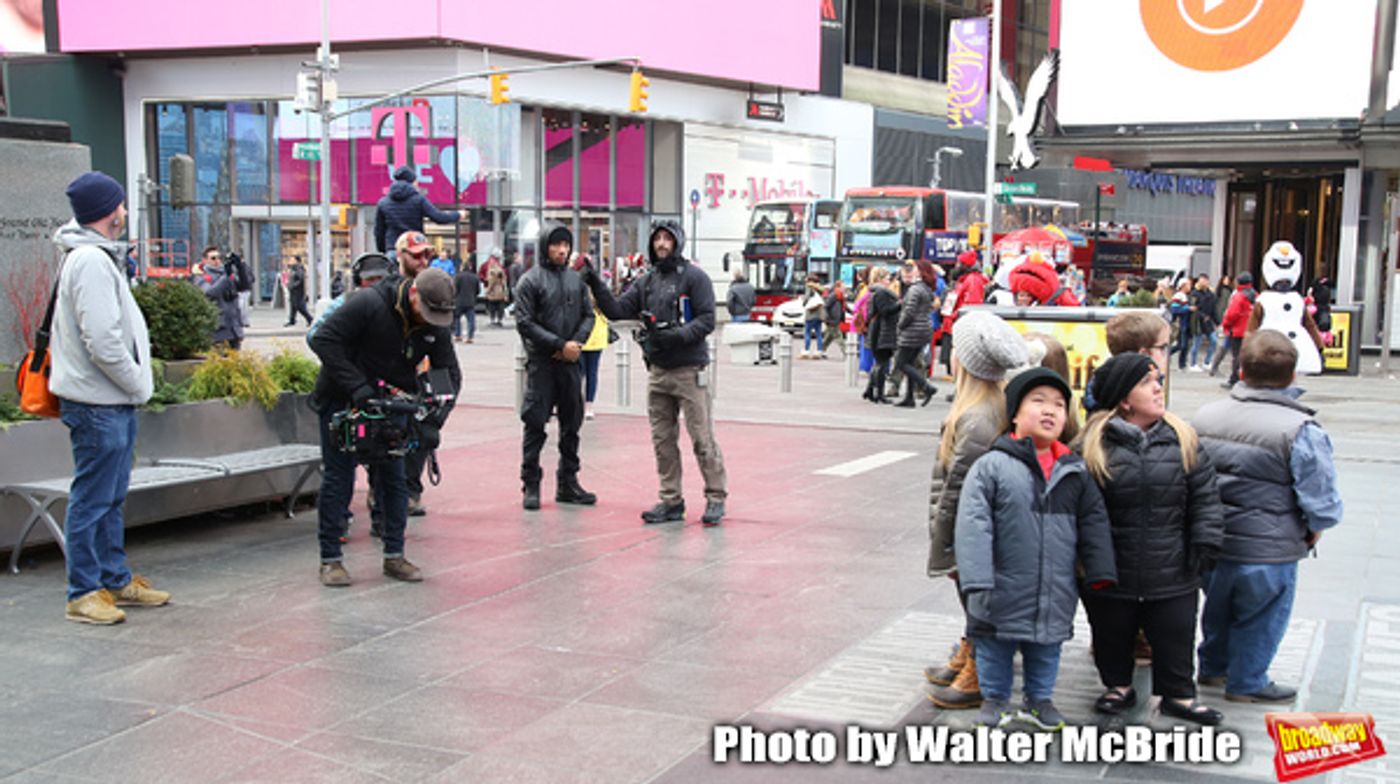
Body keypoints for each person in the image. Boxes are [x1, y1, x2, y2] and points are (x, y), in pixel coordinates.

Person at [955, 367, 1117, 730]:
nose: (1050, 410)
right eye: (1038, 401)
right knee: (994, 642)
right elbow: (973, 525)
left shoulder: (1074, 471)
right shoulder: (992, 466)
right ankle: (995, 698)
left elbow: (1093, 522)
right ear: (1014, 413)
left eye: (1059, 405)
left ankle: (1039, 699)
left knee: (1046, 644)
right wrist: (977, 578)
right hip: (1000, 583)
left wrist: (1100, 570)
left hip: (1055, 585)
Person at [1192, 330, 1343, 704]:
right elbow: (1319, 493)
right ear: (1293, 375)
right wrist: (1316, 527)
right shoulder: (1301, 429)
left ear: (1241, 370)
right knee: (1262, 615)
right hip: (1269, 547)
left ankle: (1212, 667)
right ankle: (1247, 680)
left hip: (1213, 540)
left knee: (1217, 607)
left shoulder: (1205, 416)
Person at [1077, 353, 1226, 725]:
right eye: (1147, 383)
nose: (1159, 388)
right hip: (1112, 567)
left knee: (1175, 630)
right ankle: (1117, 686)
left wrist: (1205, 542)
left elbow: (1205, 496)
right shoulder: (1092, 446)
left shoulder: (1183, 438)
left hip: (1173, 565)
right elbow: (1080, 510)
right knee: (1112, 630)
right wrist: (1087, 561)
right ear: (1124, 399)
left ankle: (1179, 695)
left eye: (1158, 379)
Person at [50, 171, 168, 624]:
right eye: (119, 203)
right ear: (109, 210)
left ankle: (113, 579)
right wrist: (137, 384)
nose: (124, 211)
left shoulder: (94, 257)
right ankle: (83, 591)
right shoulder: (90, 262)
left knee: (109, 498)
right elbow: (103, 342)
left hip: (107, 401)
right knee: (93, 499)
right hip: (99, 402)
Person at [308, 267, 461, 586]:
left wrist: (433, 420)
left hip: (392, 402)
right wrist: (356, 386)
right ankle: (330, 559)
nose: (429, 321)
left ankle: (395, 555)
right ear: (414, 293)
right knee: (339, 477)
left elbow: (448, 373)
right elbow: (323, 340)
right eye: (426, 312)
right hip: (344, 398)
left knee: (394, 479)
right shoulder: (369, 303)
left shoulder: (434, 325)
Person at [581, 219, 728, 526]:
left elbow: (706, 320)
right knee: (663, 440)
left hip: (690, 370)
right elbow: (618, 311)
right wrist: (595, 282)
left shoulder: (695, 278)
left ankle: (716, 497)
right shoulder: (646, 281)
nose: (661, 244)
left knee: (702, 438)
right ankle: (671, 499)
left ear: (677, 242)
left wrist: (677, 335)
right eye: (657, 238)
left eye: (667, 238)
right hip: (658, 371)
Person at [926, 312, 1030, 710]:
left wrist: (945, 545)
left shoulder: (978, 418)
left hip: (969, 534)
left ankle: (980, 673)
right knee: (976, 602)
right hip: (974, 532)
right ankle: (973, 651)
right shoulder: (985, 407)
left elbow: (958, 492)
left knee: (979, 602)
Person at [514, 224, 597, 511]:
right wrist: (559, 344)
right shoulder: (530, 281)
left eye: (566, 245)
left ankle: (568, 482)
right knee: (535, 423)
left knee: (572, 424)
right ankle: (531, 482)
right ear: (544, 246)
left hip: (570, 364)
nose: (562, 250)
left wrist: (575, 344)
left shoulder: (576, 280)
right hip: (542, 364)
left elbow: (589, 315)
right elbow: (525, 323)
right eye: (556, 245)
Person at [373, 166, 461, 253]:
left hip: (393, 248)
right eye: (416, 181)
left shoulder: (383, 203)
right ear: (412, 182)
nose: (417, 184)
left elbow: (379, 231)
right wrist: (458, 214)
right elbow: (439, 217)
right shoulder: (419, 200)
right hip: (415, 249)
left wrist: (383, 250)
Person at [893, 261, 938, 407]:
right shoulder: (927, 289)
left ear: (920, 271)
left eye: (916, 269)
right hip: (924, 329)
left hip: (912, 330)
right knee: (910, 362)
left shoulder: (915, 289)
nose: (913, 271)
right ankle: (909, 397)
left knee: (901, 363)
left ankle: (926, 386)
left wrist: (900, 325)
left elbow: (909, 311)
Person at [193, 246, 245, 351]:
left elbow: (244, 286)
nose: (217, 261)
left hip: (234, 330)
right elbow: (210, 293)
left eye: (219, 258)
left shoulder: (227, 274)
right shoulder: (202, 277)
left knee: (236, 360)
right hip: (218, 331)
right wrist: (226, 276)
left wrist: (240, 268)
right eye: (213, 258)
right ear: (205, 260)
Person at [862, 267, 899, 404]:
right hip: (881, 331)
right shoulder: (881, 293)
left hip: (878, 330)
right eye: (888, 278)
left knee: (879, 362)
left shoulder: (875, 292)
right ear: (880, 279)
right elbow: (885, 311)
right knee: (882, 363)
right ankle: (879, 393)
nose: (889, 281)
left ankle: (870, 390)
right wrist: (900, 304)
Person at [1218, 271, 1257, 388]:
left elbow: (1232, 313)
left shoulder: (1239, 296)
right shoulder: (1256, 295)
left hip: (1238, 330)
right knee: (1249, 356)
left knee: (1237, 356)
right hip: (1252, 331)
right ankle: (1249, 379)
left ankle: (1235, 379)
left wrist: (1225, 325)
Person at [1189, 275, 1219, 372]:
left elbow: (1214, 309)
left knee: (1214, 340)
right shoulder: (1194, 294)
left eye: (1205, 280)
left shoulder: (1211, 294)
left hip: (1208, 321)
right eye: (1201, 281)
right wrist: (1202, 316)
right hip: (1198, 321)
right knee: (1197, 343)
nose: (1203, 283)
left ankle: (1207, 362)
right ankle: (1193, 363)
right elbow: (1193, 308)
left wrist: (1217, 322)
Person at [1168, 280, 1193, 371]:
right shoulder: (1178, 296)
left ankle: (1182, 364)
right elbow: (1175, 310)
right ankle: (1168, 355)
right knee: (1182, 345)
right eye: (1188, 284)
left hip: (1186, 323)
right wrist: (1188, 308)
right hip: (1181, 323)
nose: (1190, 286)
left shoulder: (1186, 296)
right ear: (1183, 286)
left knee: (1184, 345)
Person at [453, 259, 480, 343]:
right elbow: (478, 290)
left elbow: (454, 289)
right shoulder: (475, 277)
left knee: (457, 318)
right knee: (471, 320)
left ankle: (458, 335)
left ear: (462, 267)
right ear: (470, 267)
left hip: (459, 301)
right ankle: (470, 337)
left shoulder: (458, 276)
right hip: (470, 301)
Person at [224, 250, 254, 327]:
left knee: (243, 306)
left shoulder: (244, 267)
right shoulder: (237, 267)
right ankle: (243, 321)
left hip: (244, 289)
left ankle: (244, 321)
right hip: (242, 289)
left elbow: (251, 278)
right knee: (242, 306)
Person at [820, 280, 847, 358]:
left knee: (829, 337)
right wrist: (827, 317)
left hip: (835, 319)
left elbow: (844, 306)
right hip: (832, 319)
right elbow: (826, 306)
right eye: (843, 287)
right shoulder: (834, 295)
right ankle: (846, 353)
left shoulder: (840, 296)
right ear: (838, 287)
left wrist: (852, 312)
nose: (844, 288)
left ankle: (821, 350)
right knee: (839, 337)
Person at [800, 276, 825, 359]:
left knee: (807, 333)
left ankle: (806, 351)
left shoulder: (809, 287)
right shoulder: (820, 289)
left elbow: (806, 298)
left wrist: (804, 303)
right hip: (819, 314)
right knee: (818, 334)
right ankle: (819, 351)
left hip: (811, 313)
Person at [284, 257, 313, 326]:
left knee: (299, 307)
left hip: (298, 292)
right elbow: (291, 278)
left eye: (292, 260)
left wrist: (293, 286)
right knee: (293, 306)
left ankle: (309, 318)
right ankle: (292, 320)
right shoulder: (292, 269)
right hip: (292, 291)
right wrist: (288, 285)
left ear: (296, 261)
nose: (290, 261)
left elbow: (300, 279)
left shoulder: (299, 269)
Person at [485, 260, 509, 327]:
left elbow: (491, 284)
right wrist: (506, 293)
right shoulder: (501, 272)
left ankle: (492, 320)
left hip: (493, 292)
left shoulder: (491, 272)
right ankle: (499, 320)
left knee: (492, 307)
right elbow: (504, 284)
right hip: (500, 291)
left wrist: (487, 292)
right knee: (500, 307)